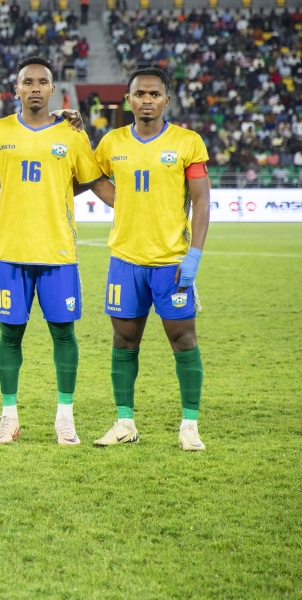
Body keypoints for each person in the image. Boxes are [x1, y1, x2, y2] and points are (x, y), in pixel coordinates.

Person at [0, 57, 108, 446]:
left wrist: (143, 203)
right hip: (10, 252)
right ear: (17, 89)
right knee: (10, 336)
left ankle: (65, 417)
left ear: (52, 90)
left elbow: (95, 182)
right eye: (28, 81)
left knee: (64, 334)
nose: (35, 88)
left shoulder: (72, 135)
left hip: (58, 252)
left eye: (42, 81)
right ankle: (9, 418)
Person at [93, 68, 211, 451]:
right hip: (124, 260)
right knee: (124, 341)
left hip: (171, 262)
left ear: (166, 100)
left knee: (184, 339)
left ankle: (189, 426)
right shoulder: (112, 142)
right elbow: (90, 177)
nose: (146, 99)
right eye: (139, 93)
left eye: (154, 93)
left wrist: (194, 254)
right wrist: (121, 201)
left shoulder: (187, 142)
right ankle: (125, 423)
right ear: (128, 99)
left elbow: (203, 200)